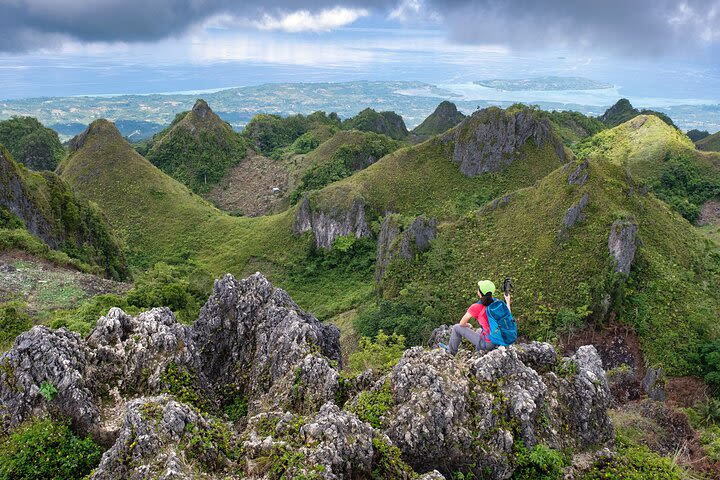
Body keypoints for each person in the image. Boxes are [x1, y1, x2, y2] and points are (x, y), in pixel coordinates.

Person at [444, 280, 511, 355]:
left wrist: (468, 325)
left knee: (456, 328)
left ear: (479, 292)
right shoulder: (497, 303)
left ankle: (450, 352)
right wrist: (508, 301)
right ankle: (479, 353)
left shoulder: (476, 307)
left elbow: (462, 323)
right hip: (497, 339)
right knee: (479, 331)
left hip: (488, 343)